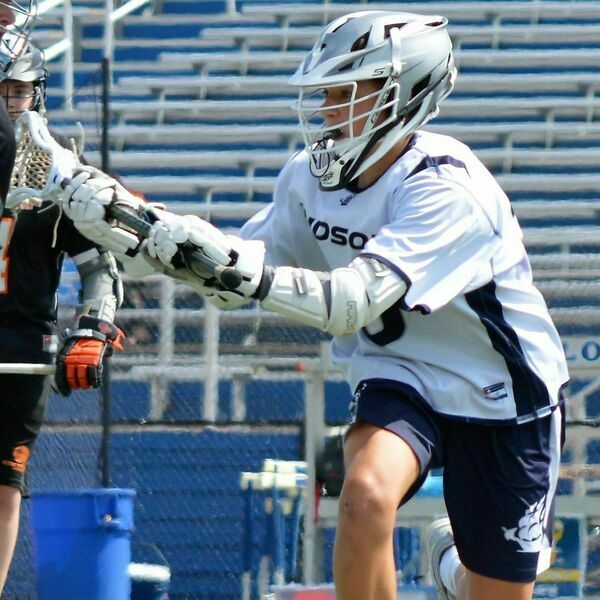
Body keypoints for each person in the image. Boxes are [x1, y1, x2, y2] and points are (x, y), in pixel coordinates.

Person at [56, 10, 569, 600]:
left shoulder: (449, 190)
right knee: (366, 496)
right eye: (326, 92)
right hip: (400, 372)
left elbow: (350, 303)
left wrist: (231, 266)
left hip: (503, 391)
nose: (328, 108)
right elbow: (236, 271)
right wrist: (143, 233)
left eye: (345, 92)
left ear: (403, 94)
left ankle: (456, 565)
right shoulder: (308, 178)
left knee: (495, 590)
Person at [0, 41, 124, 593]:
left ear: (37, 93)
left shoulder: (59, 176)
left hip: (21, 344)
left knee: (4, 482)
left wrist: (92, 330)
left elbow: (102, 268)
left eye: (17, 90)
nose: (7, 102)